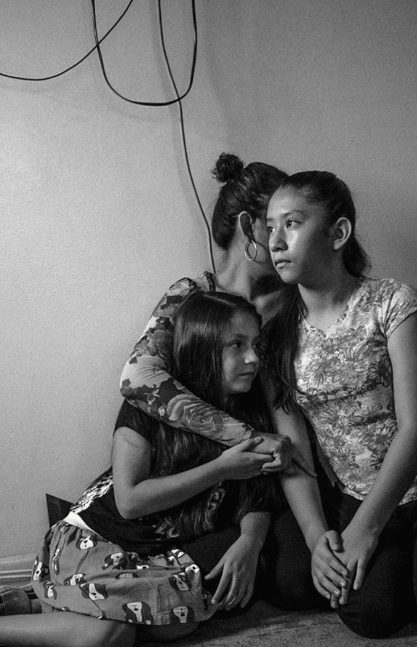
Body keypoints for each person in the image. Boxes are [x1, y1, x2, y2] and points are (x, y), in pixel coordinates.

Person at [0, 292, 282, 647]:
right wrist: (220, 468)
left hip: (154, 549)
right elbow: (130, 501)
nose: (253, 359)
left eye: (255, 346)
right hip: (99, 537)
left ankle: (40, 606)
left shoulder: (246, 412)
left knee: (177, 624)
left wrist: (251, 539)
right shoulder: (148, 409)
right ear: (202, 348)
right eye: (236, 345)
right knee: (109, 639)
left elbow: (258, 490)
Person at [263, 170, 417, 639]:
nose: (274, 240)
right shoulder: (274, 335)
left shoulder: (393, 302)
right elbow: (292, 450)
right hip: (356, 496)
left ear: (338, 233)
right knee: (370, 617)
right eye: (269, 227)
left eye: (290, 223)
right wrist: (319, 543)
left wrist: (365, 531)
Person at [120, 152, 321, 611]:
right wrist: (247, 440)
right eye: (281, 225)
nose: (293, 239)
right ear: (251, 227)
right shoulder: (189, 297)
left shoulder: (294, 300)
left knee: (301, 587)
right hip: (214, 467)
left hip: (280, 471)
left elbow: (285, 409)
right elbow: (138, 377)